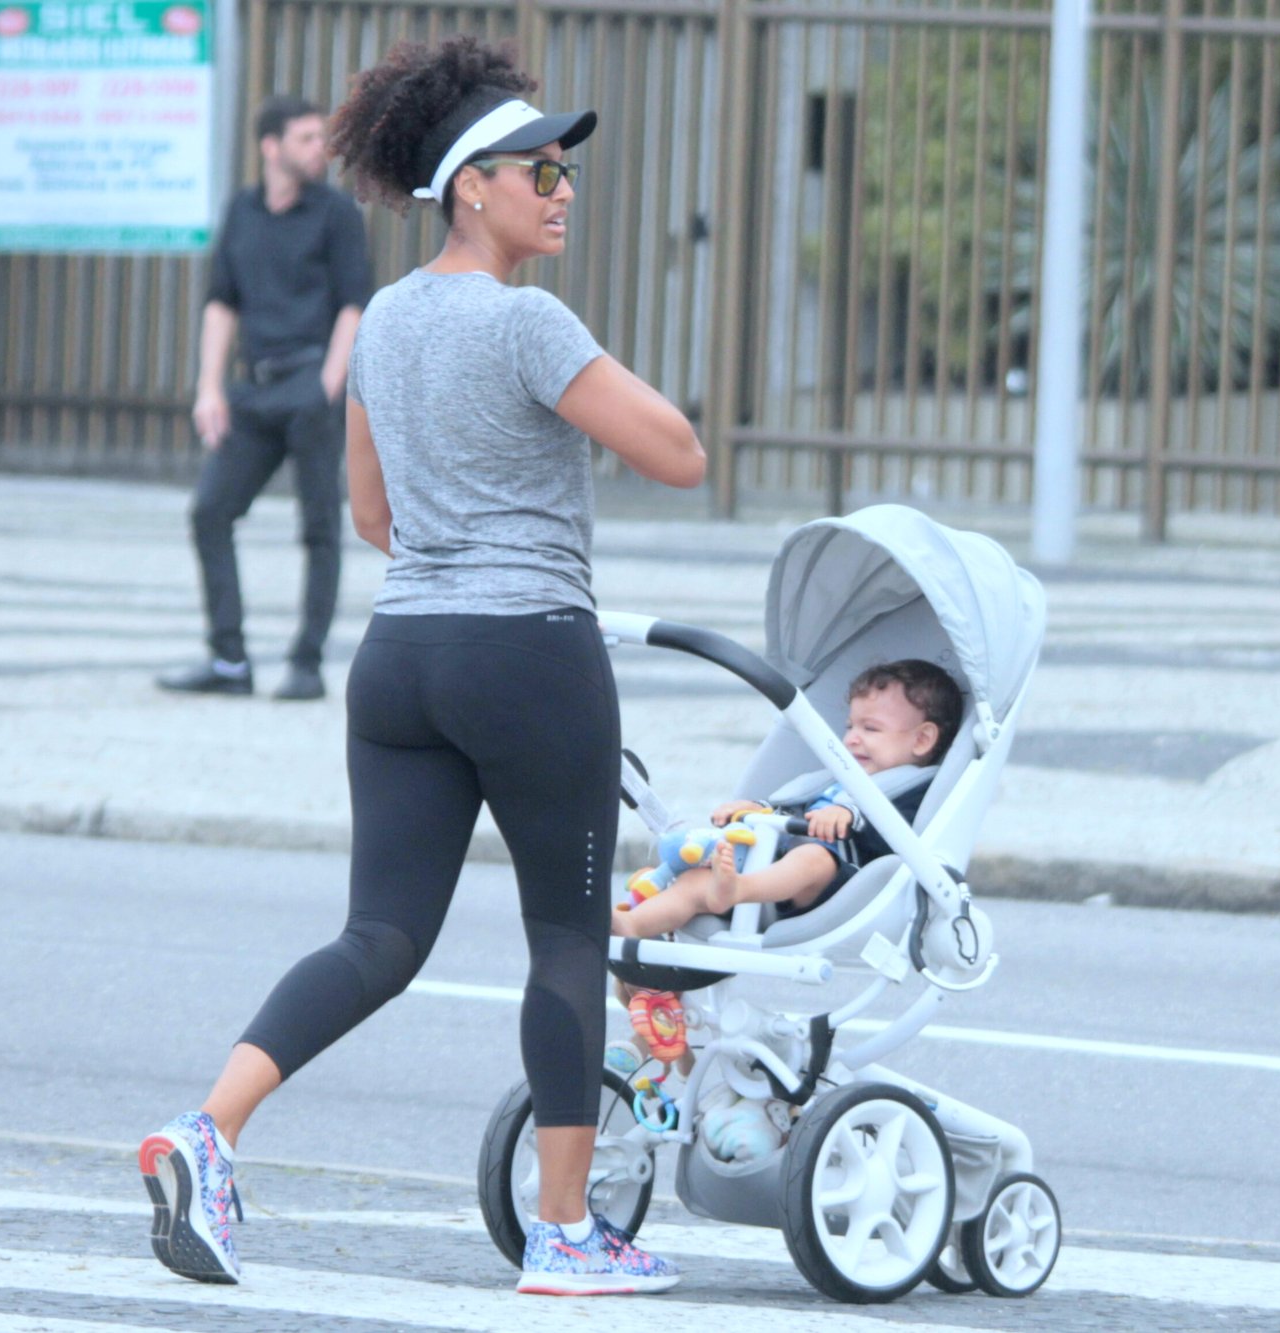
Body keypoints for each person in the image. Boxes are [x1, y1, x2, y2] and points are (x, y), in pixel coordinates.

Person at [137, 36, 705, 1298]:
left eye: (565, 170)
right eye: (537, 170)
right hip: (529, 653)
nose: (561, 190)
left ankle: (209, 1130)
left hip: (401, 659)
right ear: (469, 187)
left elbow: (373, 514)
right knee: (565, 939)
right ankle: (566, 1236)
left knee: (380, 935)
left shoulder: (387, 321)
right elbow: (679, 452)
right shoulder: (524, 321)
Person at [157, 94, 373, 702]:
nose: (320, 150)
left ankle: (306, 664)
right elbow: (222, 303)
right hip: (253, 390)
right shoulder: (242, 213)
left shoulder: (336, 215)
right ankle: (230, 662)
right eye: (307, 138)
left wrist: (330, 384)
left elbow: (355, 303)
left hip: (311, 385)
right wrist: (208, 389)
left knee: (320, 527)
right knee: (209, 513)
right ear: (270, 147)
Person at [610, 660, 963, 939]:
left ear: (921, 740)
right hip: (770, 877)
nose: (852, 739)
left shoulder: (914, 790)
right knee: (692, 884)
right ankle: (632, 924)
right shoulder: (834, 782)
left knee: (814, 858)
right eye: (850, 726)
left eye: (870, 729)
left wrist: (845, 816)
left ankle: (736, 888)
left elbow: (897, 834)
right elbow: (795, 809)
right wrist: (757, 811)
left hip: (841, 887)